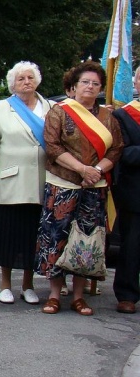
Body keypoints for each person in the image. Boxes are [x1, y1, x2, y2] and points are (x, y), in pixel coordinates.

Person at [35, 61, 123, 316]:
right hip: (63, 184)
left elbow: (116, 149)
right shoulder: (60, 112)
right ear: (73, 86)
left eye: (95, 84)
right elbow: (52, 146)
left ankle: (78, 296)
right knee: (56, 238)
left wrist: (96, 171)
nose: (90, 87)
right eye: (85, 82)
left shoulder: (108, 117)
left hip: (95, 186)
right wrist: (82, 169)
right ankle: (54, 295)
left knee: (86, 239)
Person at [0, 61, 51, 305]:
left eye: (30, 77)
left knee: (33, 236)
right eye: (21, 78)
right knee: (8, 235)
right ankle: (5, 284)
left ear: (37, 80)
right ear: (12, 84)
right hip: (11, 183)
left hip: (41, 182)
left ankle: (28, 285)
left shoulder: (50, 108)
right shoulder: (1, 108)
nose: (26, 82)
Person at [111, 66, 140, 314]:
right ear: (136, 83)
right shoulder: (123, 115)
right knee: (132, 245)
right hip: (135, 191)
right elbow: (123, 153)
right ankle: (127, 294)